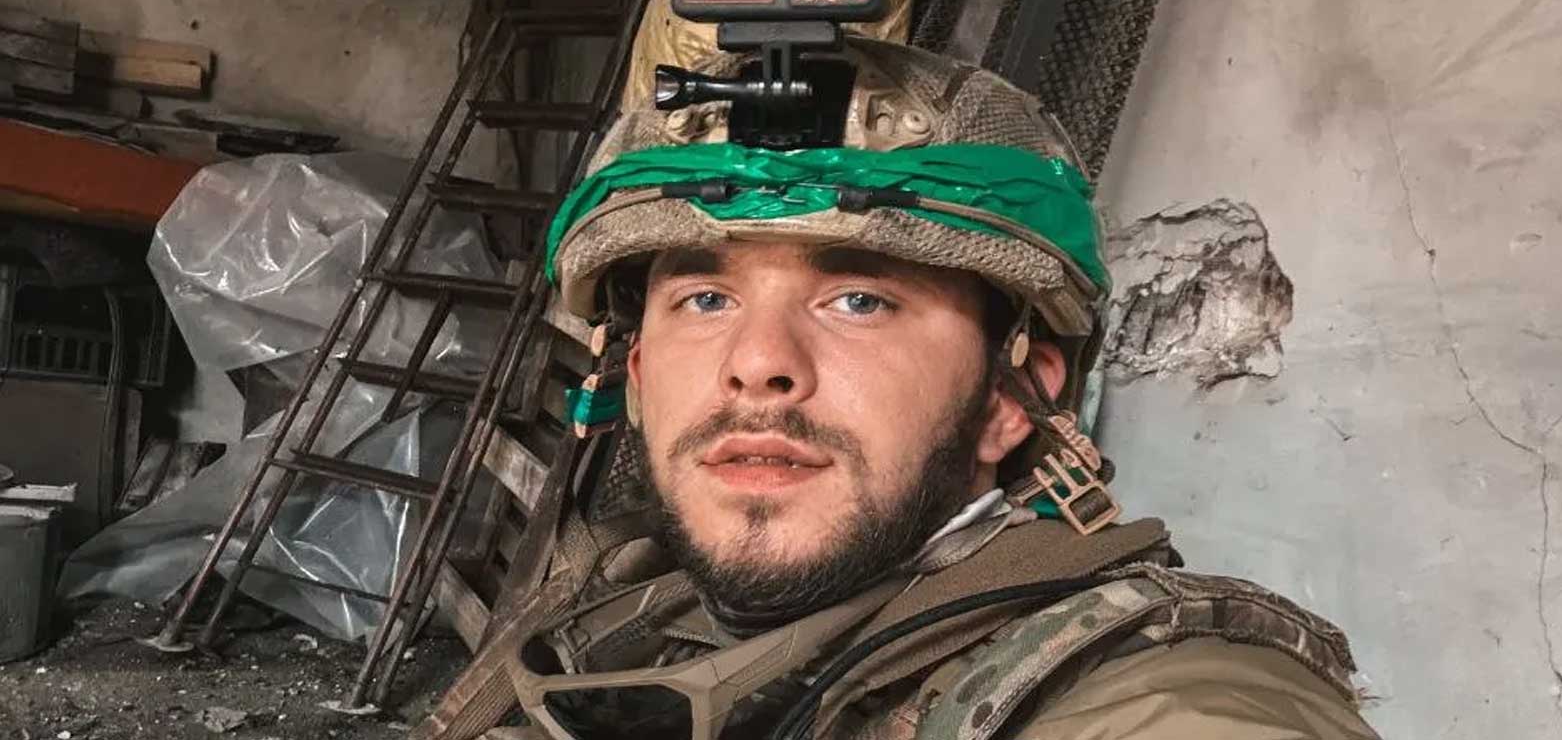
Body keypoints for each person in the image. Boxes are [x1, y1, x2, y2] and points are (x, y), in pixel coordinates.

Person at [520, 38, 1382, 739]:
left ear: (1009, 400)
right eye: (706, 300)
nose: (757, 363)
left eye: (859, 300)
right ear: (637, 378)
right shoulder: (631, 614)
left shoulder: (1166, 695)